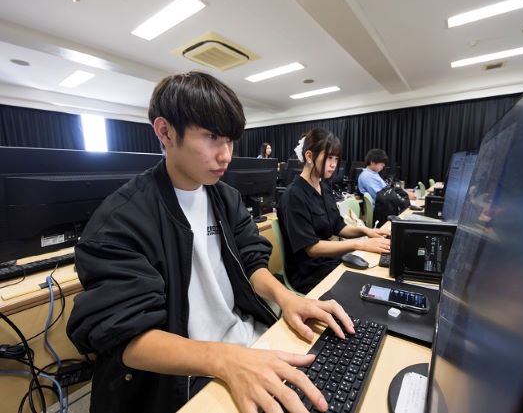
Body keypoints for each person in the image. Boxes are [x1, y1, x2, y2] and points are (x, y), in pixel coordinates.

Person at [66, 72, 355, 413]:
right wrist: (225, 360)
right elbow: (126, 338)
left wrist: (287, 298)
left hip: (245, 342)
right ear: (165, 131)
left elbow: (252, 262)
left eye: (230, 140)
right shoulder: (121, 220)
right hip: (182, 377)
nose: (226, 155)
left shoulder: (225, 198)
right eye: (212, 137)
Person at [277, 128, 390, 294]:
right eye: (329, 157)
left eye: (336, 159)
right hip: (309, 274)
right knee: (366, 286)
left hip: (329, 262)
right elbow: (312, 248)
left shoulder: (324, 188)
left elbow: (339, 227)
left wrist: (366, 231)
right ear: (309, 156)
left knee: (378, 275)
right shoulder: (293, 195)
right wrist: (360, 243)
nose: (333, 164)